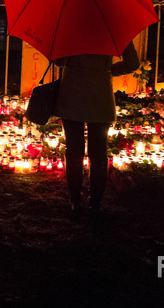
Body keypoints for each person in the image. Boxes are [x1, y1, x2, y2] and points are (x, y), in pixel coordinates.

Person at [53, 41, 139, 213]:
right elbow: (132, 63)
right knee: (99, 153)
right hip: (100, 97)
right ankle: (96, 202)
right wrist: (109, 70)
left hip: (72, 96)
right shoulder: (111, 28)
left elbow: (59, 61)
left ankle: (74, 200)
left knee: (74, 151)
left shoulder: (70, 28)